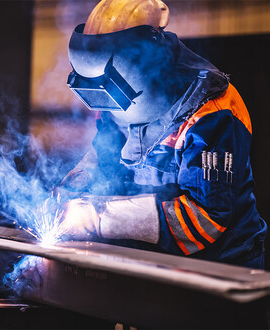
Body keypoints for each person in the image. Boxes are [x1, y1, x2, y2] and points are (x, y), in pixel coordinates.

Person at [59, 0, 267, 269]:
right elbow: (104, 155)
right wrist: (78, 183)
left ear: (146, 62)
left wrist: (96, 216)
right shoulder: (114, 95)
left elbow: (205, 220)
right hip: (151, 262)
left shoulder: (211, 110)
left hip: (220, 269)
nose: (107, 107)